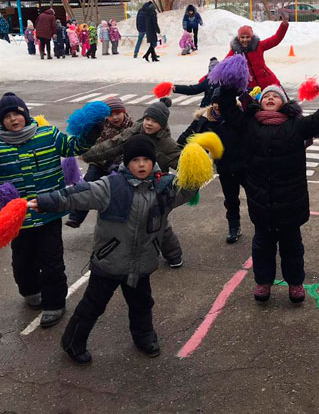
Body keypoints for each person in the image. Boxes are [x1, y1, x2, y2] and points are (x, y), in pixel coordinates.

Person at [31, 134, 202, 364]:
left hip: (142, 263)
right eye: (135, 160)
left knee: (142, 305)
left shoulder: (164, 188)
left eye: (145, 159)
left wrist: (197, 166)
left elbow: (188, 190)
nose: (141, 164)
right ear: (126, 162)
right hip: (109, 262)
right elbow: (77, 194)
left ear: (153, 162)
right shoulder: (111, 186)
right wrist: (44, 202)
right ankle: (72, 341)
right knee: (92, 306)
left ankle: (144, 337)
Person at [0, 92, 98, 328]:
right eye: (8, 116)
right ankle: (30, 291)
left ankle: (55, 303)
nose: (14, 119)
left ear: (26, 114)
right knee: (22, 260)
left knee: (52, 260)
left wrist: (91, 132)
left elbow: (73, 146)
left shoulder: (48, 135)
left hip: (49, 211)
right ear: (1, 120)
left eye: (18, 114)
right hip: (18, 217)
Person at [218, 83, 319, 303]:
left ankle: (295, 283)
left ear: (284, 103)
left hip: (290, 202)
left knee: (292, 248)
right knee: (262, 247)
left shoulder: (296, 125)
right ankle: (263, 282)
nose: (271, 98)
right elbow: (228, 109)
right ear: (260, 102)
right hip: (261, 200)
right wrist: (228, 87)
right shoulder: (250, 124)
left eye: (276, 96)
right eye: (267, 96)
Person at [82, 98, 184, 268]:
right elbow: (113, 145)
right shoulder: (134, 130)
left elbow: (183, 164)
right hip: (130, 182)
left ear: (163, 124)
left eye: (155, 121)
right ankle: (124, 253)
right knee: (130, 220)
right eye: (148, 119)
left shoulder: (167, 145)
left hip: (154, 187)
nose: (149, 124)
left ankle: (174, 255)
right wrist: (88, 154)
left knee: (159, 223)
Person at [178, 87, 245, 243]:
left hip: (244, 165)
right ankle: (234, 227)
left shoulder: (238, 116)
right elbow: (187, 136)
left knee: (256, 197)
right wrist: (177, 150)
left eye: (220, 102)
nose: (217, 105)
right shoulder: (204, 119)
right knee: (230, 199)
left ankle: (263, 226)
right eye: (215, 102)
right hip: (224, 166)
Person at [66, 96, 134, 228]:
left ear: (124, 112)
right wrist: (105, 162)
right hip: (99, 164)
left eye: (118, 113)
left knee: (118, 194)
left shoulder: (131, 127)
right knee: (86, 187)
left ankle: (117, 221)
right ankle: (76, 217)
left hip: (120, 166)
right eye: (111, 115)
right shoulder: (101, 128)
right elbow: (95, 148)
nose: (115, 117)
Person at [225, 18, 288, 89]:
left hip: (269, 82)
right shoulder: (234, 51)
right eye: (242, 37)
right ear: (239, 38)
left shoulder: (259, 46)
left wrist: (284, 25)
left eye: (248, 37)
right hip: (251, 88)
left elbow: (276, 39)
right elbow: (223, 66)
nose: (245, 40)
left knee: (280, 99)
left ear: (251, 37)